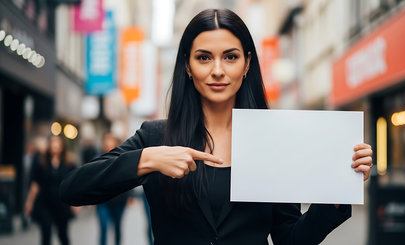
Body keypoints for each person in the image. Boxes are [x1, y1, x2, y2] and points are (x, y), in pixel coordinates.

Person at [60, 9, 373, 245]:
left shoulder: (273, 140)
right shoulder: (157, 136)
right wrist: (149, 159)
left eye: (231, 57)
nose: (218, 71)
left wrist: (336, 192)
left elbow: (290, 239)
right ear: (187, 65)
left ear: (247, 63)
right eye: (204, 58)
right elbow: (73, 189)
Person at [25, 135, 76, 245]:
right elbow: (35, 184)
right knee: (46, 230)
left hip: (62, 204)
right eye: (52, 143)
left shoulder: (69, 164)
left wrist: (76, 203)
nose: (55, 146)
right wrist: (29, 202)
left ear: (62, 146)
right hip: (45, 203)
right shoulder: (41, 162)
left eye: (57, 143)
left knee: (63, 234)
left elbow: (73, 184)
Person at [96, 133, 132, 245]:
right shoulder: (98, 159)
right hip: (102, 200)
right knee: (103, 226)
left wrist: (130, 196)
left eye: (111, 142)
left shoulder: (123, 158)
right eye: (106, 142)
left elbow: (128, 178)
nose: (108, 144)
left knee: (117, 226)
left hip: (119, 199)